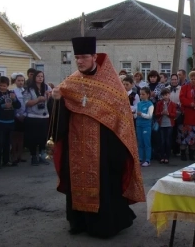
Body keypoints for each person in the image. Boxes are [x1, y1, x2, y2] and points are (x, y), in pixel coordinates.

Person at [50, 37, 145, 237]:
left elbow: (121, 115)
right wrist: (57, 100)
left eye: (84, 57)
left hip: (104, 144)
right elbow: (62, 107)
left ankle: (104, 225)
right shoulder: (73, 81)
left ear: (94, 56)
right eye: (77, 57)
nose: (80, 61)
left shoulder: (111, 82)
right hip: (76, 142)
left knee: (105, 183)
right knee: (76, 179)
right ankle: (79, 223)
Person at [0, 76, 21, 169]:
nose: (2, 87)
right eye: (1, 85)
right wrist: (3, 105)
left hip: (10, 121)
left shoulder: (11, 93)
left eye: (4, 85)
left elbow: (18, 106)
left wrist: (14, 99)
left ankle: (6, 160)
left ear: (7, 85)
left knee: (7, 143)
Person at [23, 71, 52, 166]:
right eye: (38, 76)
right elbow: (27, 103)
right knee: (33, 138)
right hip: (33, 117)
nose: (40, 78)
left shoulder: (47, 87)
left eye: (42, 76)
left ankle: (41, 155)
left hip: (44, 116)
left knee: (43, 137)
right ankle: (33, 156)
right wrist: (38, 99)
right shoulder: (29, 89)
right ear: (34, 77)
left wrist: (50, 95)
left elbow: (54, 98)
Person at [155, 88, 177, 164]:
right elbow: (156, 114)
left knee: (168, 141)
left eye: (167, 95)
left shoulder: (173, 104)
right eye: (164, 95)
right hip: (161, 124)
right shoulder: (159, 103)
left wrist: (168, 114)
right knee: (162, 141)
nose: (165, 97)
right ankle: (162, 156)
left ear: (169, 95)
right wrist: (161, 113)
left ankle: (167, 156)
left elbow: (174, 115)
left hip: (169, 124)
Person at [11, 73, 27, 164]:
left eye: (22, 80)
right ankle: (14, 155)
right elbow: (13, 105)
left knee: (21, 137)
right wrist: (17, 115)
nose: (21, 82)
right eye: (19, 81)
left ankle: (20, 156)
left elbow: (27, 104)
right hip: (16, 117)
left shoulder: (26, 90)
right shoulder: (13, 91)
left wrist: (24, 115)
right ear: (15, 81)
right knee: (14, 137)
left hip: (24, 116)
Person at [136, 86, 154, 167]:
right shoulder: (139, 104)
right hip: (139, 125)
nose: (141, 96)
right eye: (140, 94)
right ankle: (140, 158)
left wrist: (141, 114)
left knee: (146, 143)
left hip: (146, 126)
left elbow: (149, 116)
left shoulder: (150, 104)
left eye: (143, 94)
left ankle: (147, 159)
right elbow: (136, 115)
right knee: (140, 143)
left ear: (148, 95)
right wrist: (133, 114)